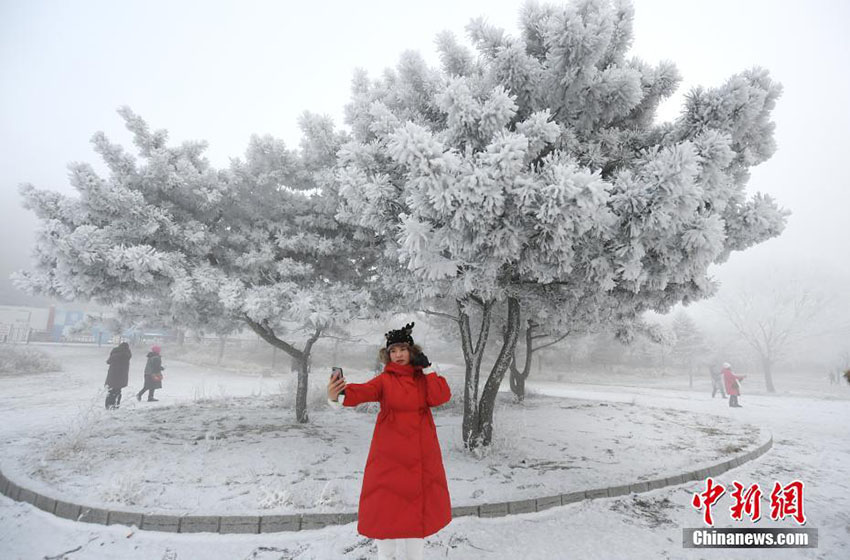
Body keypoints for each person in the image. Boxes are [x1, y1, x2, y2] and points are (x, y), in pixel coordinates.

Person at [327, 322, 452, 560]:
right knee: (385, 508)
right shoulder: (384, 380)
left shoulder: (424, 378)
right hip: (388, 455)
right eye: (393, 351)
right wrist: (338, 395)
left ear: (412, 351)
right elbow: (362, 391)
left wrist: (428, 369)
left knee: (417, 512)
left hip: (421, 453)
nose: (398, 355)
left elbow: (440, 397)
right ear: (388, 355)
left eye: (403, 349)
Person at [104, 341, 132, 409]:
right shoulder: (127, 355)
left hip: (112, 376)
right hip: (121, 377)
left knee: (110, 391)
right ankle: (116, 405)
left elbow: (108, 362)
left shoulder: (115, 354)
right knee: (118, 391)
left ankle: (108, 405)